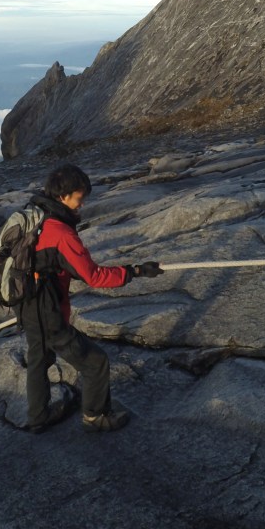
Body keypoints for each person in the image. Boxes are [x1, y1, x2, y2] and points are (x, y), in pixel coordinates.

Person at [18, 164, 164, 433]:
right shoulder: (61, 233)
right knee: (95, 362)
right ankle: (96, 417)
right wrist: (135, 271)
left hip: (27, 303)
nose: (82, 201)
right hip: (48, 311)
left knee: (39, 360)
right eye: (78, 195)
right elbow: (93, 276)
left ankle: (38, 417)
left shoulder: (35, 216)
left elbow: (46, 261)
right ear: (63, 197)